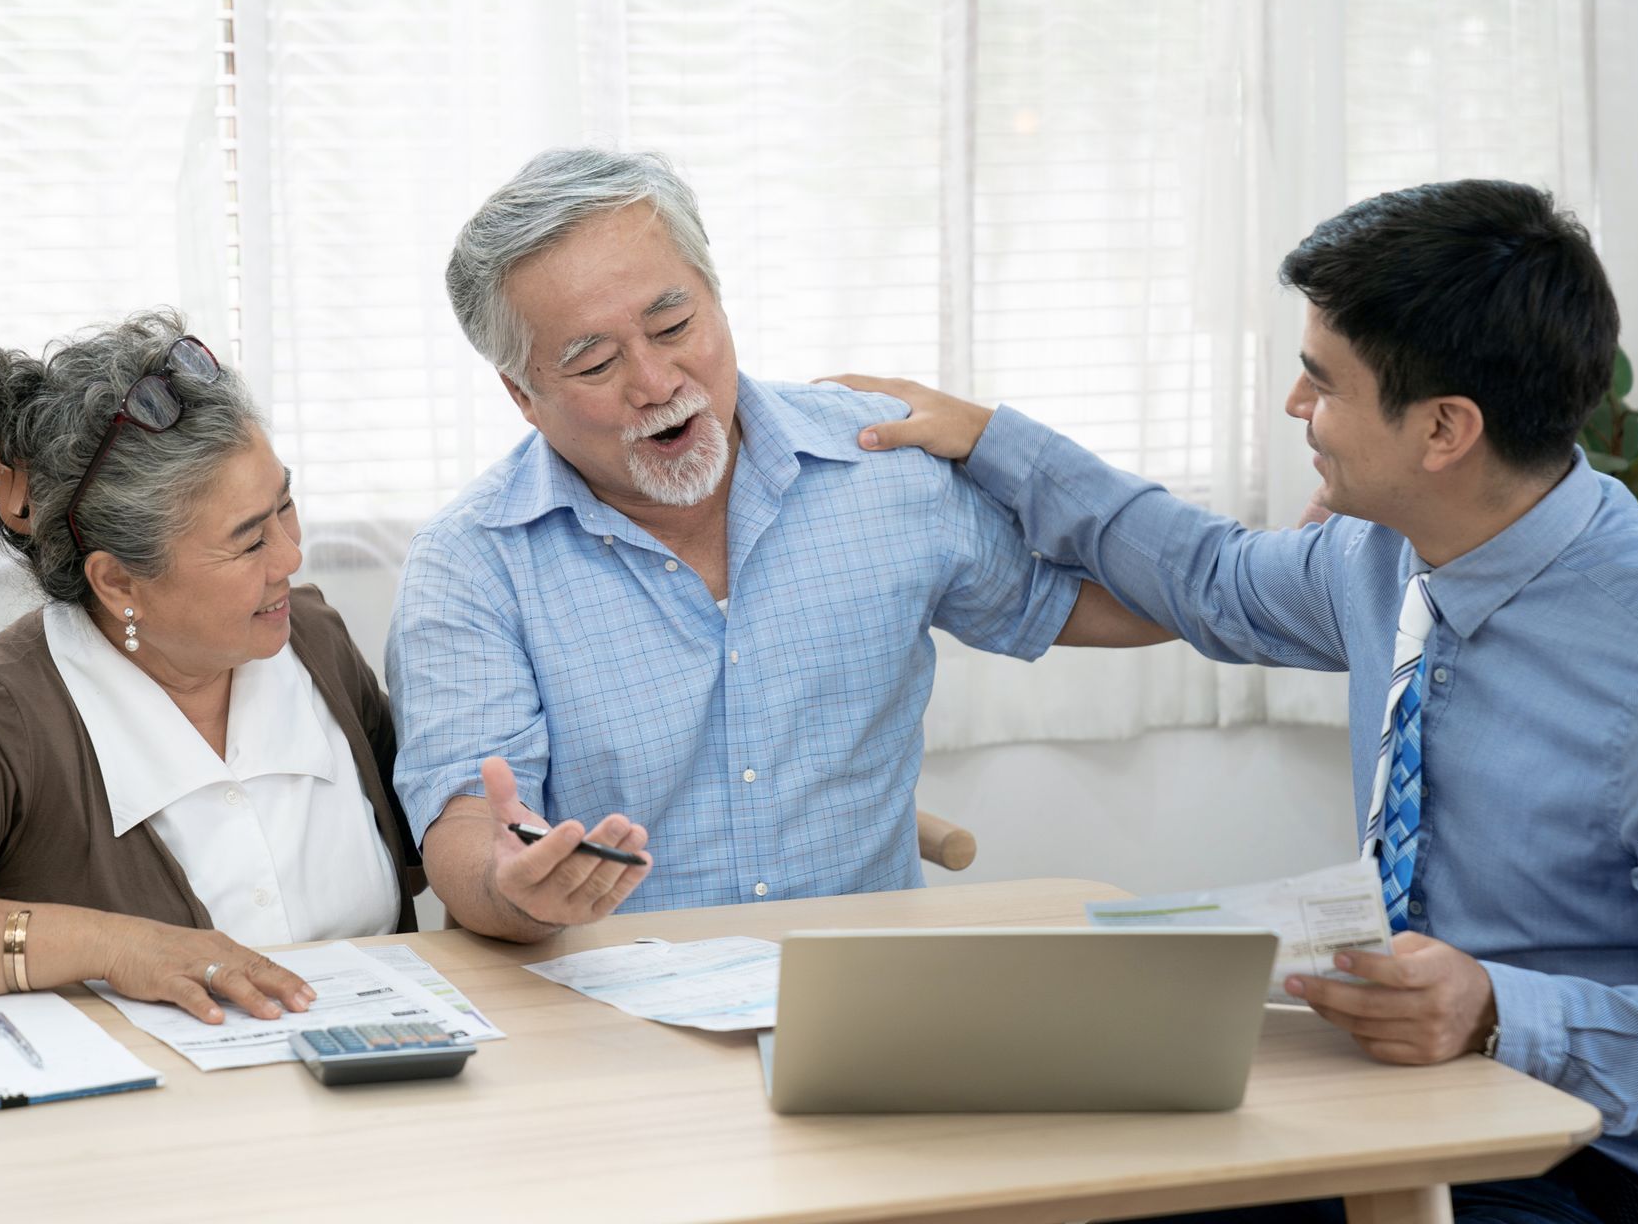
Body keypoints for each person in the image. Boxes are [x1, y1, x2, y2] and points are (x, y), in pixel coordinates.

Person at [835, 180, 1638, 1221]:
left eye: (1322, 382)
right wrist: (989, 438)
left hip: (1602, 1170)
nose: (1297, 408)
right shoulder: (1386, 551)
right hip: (1418, 1098)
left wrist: (1499, 1012)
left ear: (1443, 428)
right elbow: (1212, 577)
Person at [387, 148, 1170, 942]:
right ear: (523, 394)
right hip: (620, 1013)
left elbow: (1105, 602)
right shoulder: (472, 561)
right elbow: (466, 821)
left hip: (867, 995)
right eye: (595, 361)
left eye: (674, 325)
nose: (657, 382)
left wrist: (1266, 571)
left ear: (718, 300)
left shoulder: (877, 461)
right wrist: (515, 889)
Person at [0, 311, 421, 1025]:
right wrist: (112, 944)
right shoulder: (7, 713)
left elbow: (424, 840)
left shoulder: (309, 638)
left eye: (284, 506)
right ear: (119, 582)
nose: (289, 557)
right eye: (249, 543)